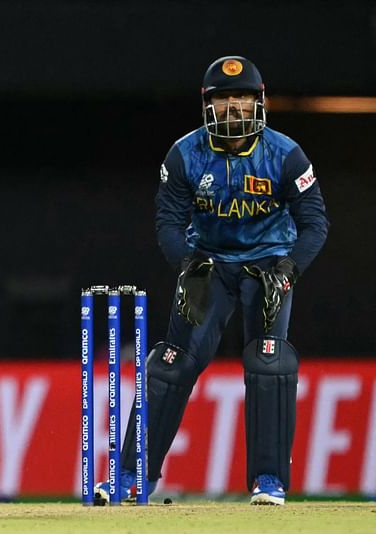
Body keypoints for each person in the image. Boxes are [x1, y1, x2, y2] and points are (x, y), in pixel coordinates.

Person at [96, 56, 328, 505]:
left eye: (242, 98)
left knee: (270, 362)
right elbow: (167, 221)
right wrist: (187, 265)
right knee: (170, 361)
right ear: (209, 106)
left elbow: (315, 223)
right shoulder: (185, 154)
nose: (233, 108)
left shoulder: (286, 154)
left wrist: (288, 269)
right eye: (224, 99)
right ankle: (131, 477)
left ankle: (268, 480)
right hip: (209, 265)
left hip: (268, 265)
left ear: (259, 102)